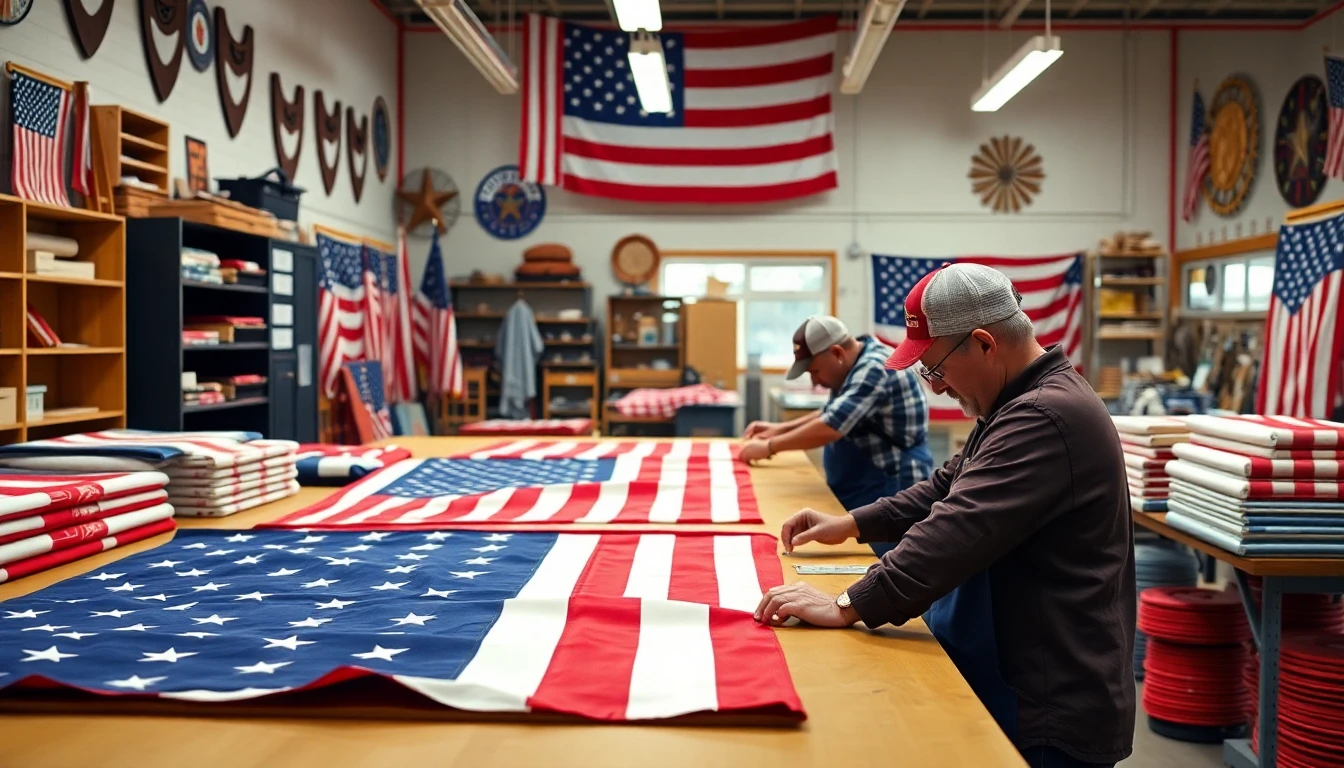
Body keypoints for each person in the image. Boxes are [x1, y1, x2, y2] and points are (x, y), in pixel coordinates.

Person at [753, 263, 1136, 768]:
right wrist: (852, 523)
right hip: (1025, 672)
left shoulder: (1043, 415)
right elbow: (945, 487)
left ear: (983, 343)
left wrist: (847, 603)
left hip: (1049, 703)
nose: (934, 387)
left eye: (935, 368)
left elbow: (958, 529)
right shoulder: (1014, 403)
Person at [740, 316, 932, 544]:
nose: (815, 382)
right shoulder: (851, 365)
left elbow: (831, 426)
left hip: (890, 483)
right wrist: (778, 430)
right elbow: (832, 411)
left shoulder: (876, 367)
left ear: (837, 353)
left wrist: (769, 447)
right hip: (862, 484)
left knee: (877, 564)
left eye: (815, 371)